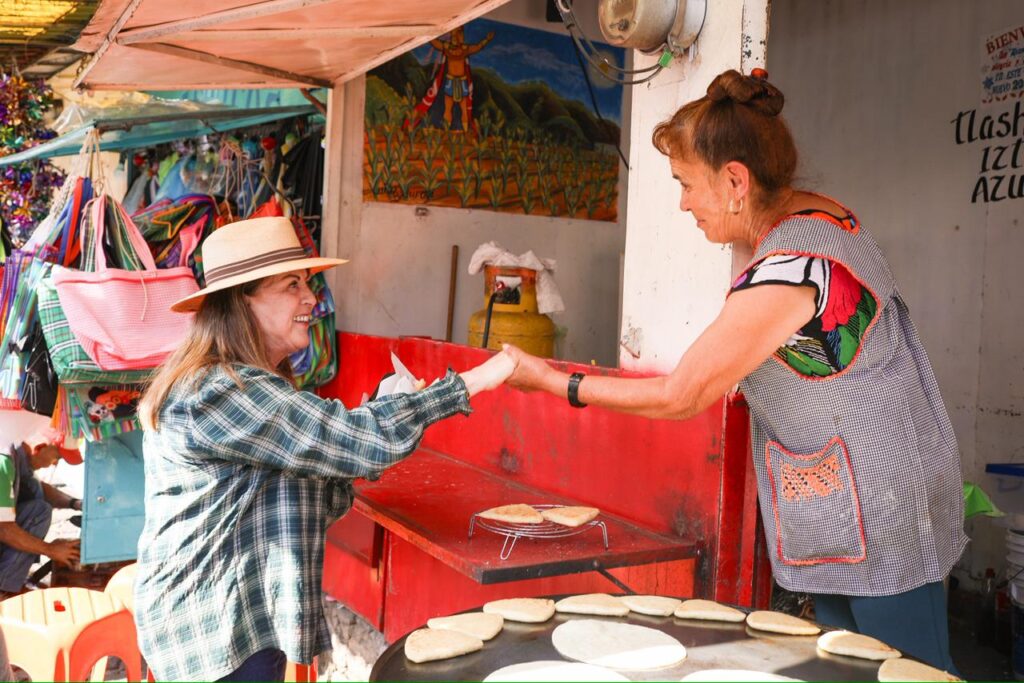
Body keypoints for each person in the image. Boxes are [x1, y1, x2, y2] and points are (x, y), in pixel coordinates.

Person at [503, 69, 965, 673]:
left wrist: (551, 382)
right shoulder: (821, 218)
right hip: (859, 496)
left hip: (882, 508)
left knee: (913, 671)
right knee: (852, 667)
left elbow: (681, 394)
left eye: (686, 184)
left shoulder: (790, 269)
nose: (684, 204)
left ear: (735, 181)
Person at [134, 216, 516, 682]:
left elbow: (314, 480)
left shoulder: (248, 387)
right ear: (242, 301)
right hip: (209, 631)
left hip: (236, 622)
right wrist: (474, 381)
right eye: (291, 285)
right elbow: (355, 441)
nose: (312, 299)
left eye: (307, 283)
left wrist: (371, 424)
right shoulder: (219, 391)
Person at [0, 419, 82, 599]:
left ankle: (12, 582)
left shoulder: (17, 451)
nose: (55, 463)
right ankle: (4, 590)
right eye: (57, 457)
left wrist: (74, 503)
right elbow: (4, 529)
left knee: (36, 497)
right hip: (3, 528)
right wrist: (51, 549)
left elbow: (40, 489)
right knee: (39, 512)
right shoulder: (3, 460)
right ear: (39, 448)